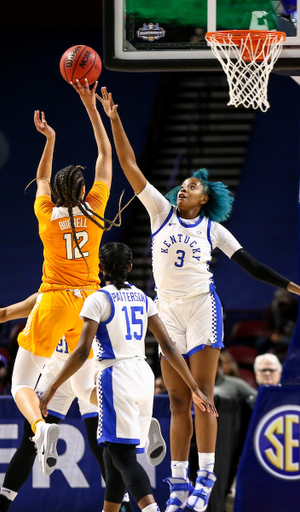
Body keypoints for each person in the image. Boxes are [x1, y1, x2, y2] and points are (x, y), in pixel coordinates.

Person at [96, 87, 300, 512]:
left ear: (205, 198)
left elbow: (253, 266)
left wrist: (299, 290)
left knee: (203, 391)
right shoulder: (157, 211)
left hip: (202, 307)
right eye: (182, 186)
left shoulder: (214, 231)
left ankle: (206, 478)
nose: (182, 190)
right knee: (177, 400)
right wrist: (114, 118)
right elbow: (130, 165)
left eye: (190, 187)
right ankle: (179, 483)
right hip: (165, 309)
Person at [39, 242, 217, 512]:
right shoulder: (143, 299)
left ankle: (151, 509)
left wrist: (51, 387)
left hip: (115, 374)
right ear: (130, 268)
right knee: (112, 457)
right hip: (143, 374)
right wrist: (193, 386)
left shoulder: (98, 299)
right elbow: (169, 347)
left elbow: (81, 352)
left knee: (121, 456)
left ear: (100, 269)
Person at [11, 78, 113, 478]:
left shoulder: (46, 214)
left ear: (56, 192)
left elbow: (40, 180)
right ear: (85, 190)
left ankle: (41, 428)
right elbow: (105, 153)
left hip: (53, 299)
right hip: (90, 303)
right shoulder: (97, 210)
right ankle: (133, 421)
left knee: (21, 380)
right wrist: (91, 106)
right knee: (87, 387)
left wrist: (48, 139)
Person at [0, 293, 133, 512]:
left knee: (31, 440)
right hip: (88, 371)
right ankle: (124, 504)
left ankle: (3, 503)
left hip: (58, 375)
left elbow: (5, 314)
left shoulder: (45, 297)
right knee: (103, 445)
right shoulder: (98, 297)